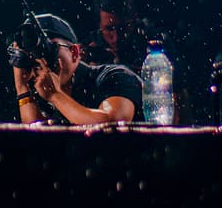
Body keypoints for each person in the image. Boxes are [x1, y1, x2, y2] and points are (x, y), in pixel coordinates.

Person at [10, 13, 141, 126]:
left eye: (50, 50)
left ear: (74, 52)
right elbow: (37, 141)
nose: (42, 61)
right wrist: (22, 88)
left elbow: (112, 125)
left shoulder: (115, 76)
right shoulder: (42, 91)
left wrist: (56, 96)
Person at [83, 0, 150, 72]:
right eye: (109, 29)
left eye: (122, 28)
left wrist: (115, 66)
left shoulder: (153, 42)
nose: (116, 38)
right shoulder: (89, 46)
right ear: (99, 25)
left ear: (134, 20)